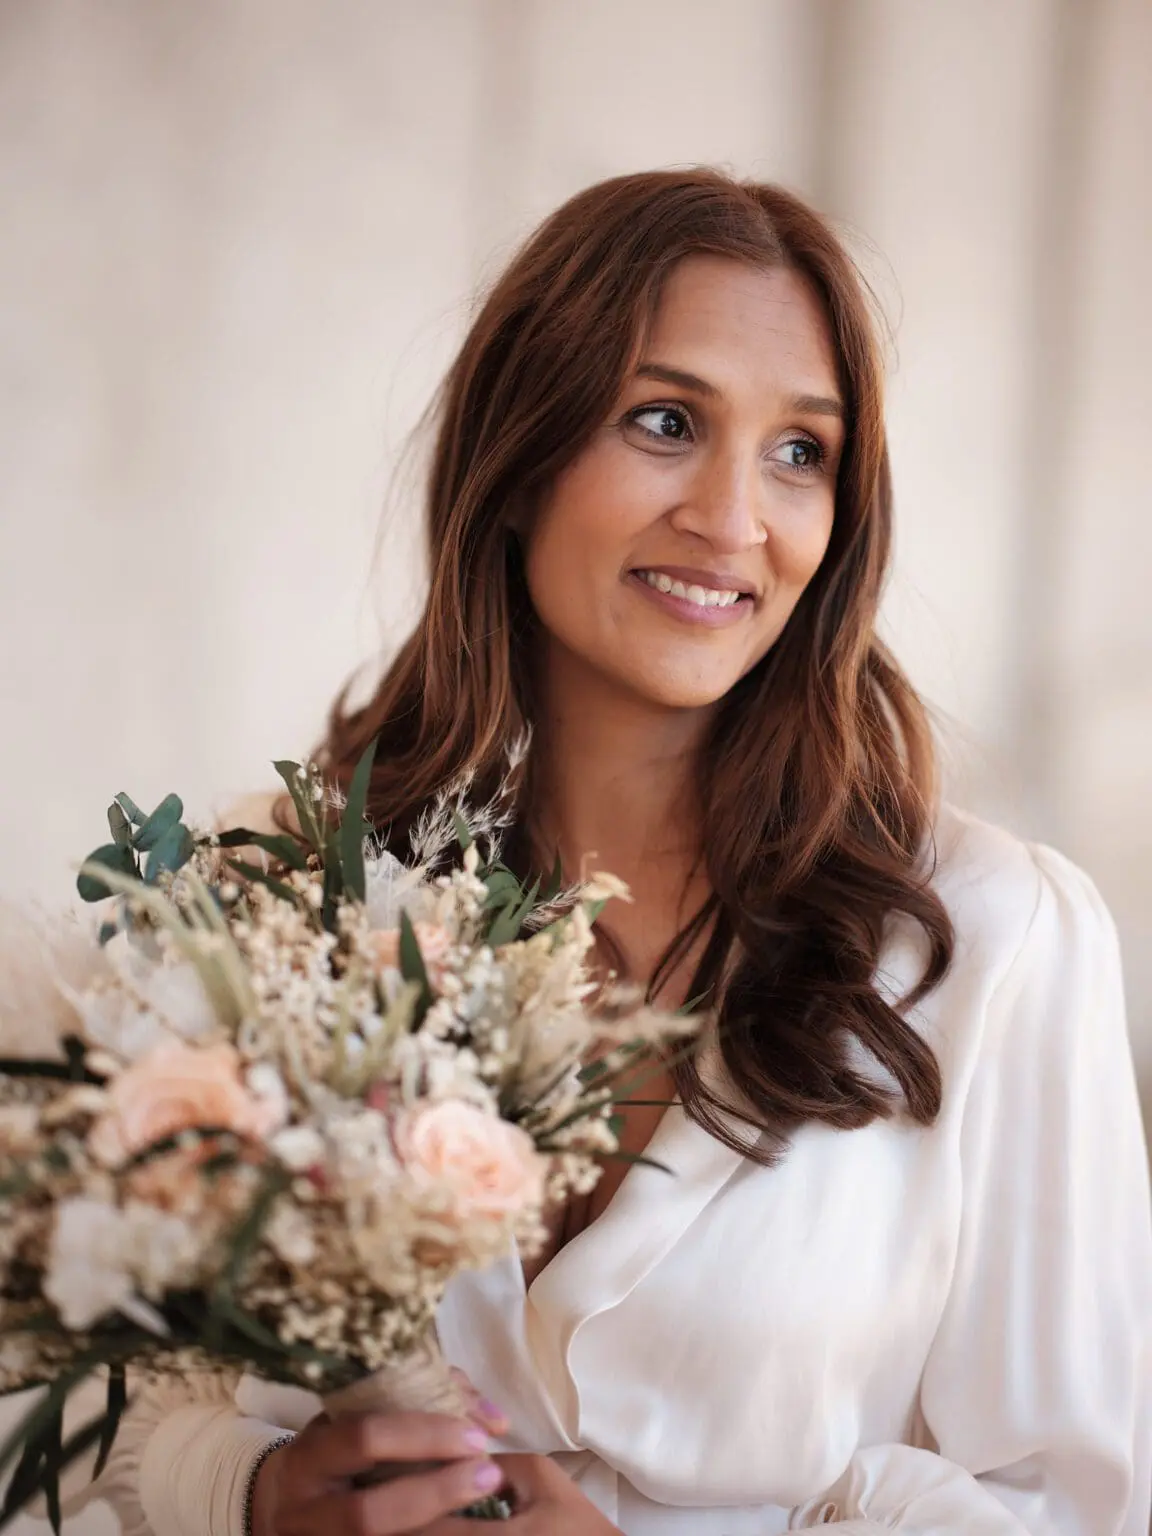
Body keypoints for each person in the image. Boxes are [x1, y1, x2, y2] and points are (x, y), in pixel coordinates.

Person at [76, 168, 1151, 1535]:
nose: (733, 517)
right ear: (517, 461)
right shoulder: (275, 897)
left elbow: (1081, 1510)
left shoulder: (997, 940)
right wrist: (246, 1495)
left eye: (799, 451)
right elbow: (80, 1397)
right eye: (664, 421)